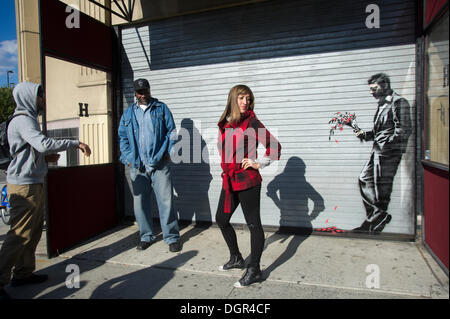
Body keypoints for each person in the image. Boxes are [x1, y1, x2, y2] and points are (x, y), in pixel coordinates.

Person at [0, 82, 91, 299]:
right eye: (40, 97)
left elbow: (31, 151)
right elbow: (42, 144)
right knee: (19, 234)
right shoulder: (22, 120)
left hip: (33, 181)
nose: (43, 100)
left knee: (31, 232)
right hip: (24, 185)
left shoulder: (29, 120)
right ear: (30, 98)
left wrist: (43, 159)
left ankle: (23, 273)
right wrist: (74, 143)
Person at [216, 84, 281, 287]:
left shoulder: (251, 122)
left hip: (247, 180)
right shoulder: (226, 124)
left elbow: (274, 146)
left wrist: (258, 163)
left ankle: (255, 270)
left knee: (254, 224)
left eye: (249, 99)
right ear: (233, 99)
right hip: (230, 179)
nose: (246, 102)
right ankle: (236, 258)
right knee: (221, 219)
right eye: (242, 98)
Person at [118, 78, 181, 253]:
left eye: (145, 91)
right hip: (138, 165)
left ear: (149, 90)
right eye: (140, 92)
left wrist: (169, 152)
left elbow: (172, 132)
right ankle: (146, 236)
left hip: (160, 163)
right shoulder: (129, 113)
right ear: (135, 94)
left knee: (166, 201)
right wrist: (129, 157)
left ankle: (171, 237)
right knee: (140, 204)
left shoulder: (161, 108)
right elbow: (122, 138)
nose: (143, 94)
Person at [354, 73, 411, 233]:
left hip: (389, 153)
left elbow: (404, 130)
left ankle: (373, 222)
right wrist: (366, 135)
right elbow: (380, 130)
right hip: (378, 150)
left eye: (374, 88)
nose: (371, 92)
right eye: (370, 89)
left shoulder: (399, 102)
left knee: (382, 188)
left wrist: (386, 145)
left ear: (385, 85)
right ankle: (378, 216)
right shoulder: (382, 104)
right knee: (364, 179)